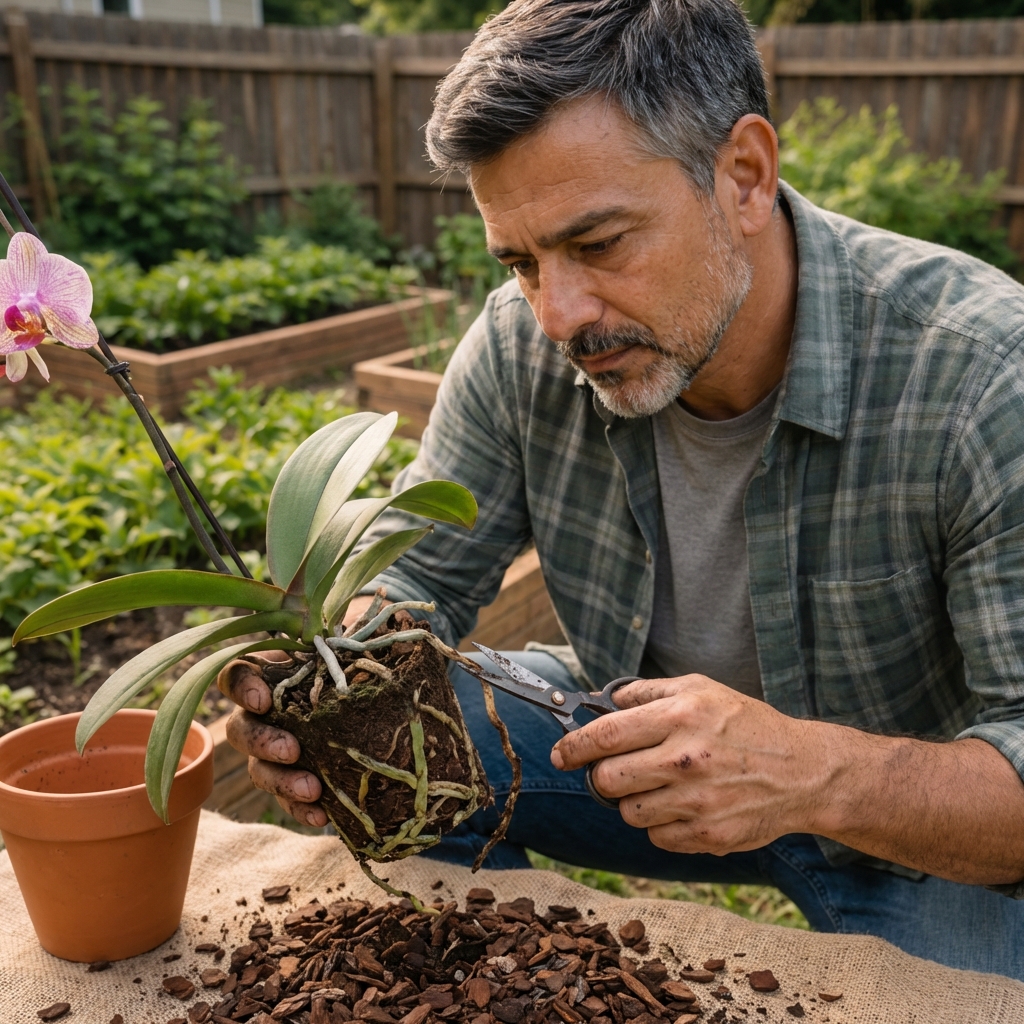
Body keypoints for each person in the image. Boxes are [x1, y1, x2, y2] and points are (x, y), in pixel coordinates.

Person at [219, 0, 1024, 979]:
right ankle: (487, 978)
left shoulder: (983, 376)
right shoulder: (520, 347)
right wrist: (319, 696)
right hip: (629, 749)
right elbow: (414, 582)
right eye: (520, 262)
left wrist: (810, 773)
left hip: (910, 831)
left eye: (598, 244)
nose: (557, 314)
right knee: (413, 735)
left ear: (743, 176)